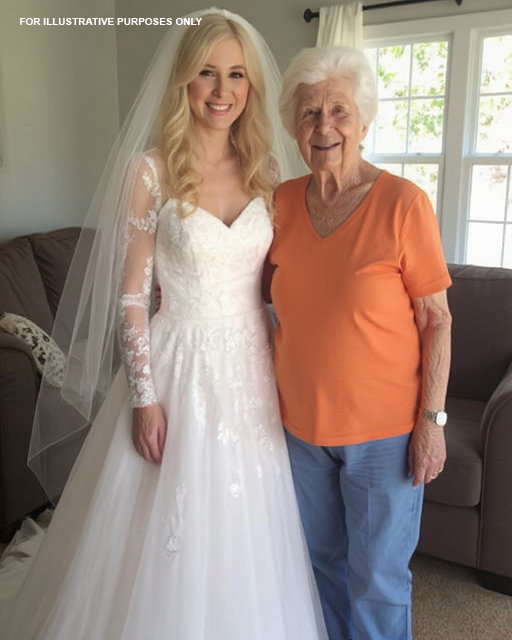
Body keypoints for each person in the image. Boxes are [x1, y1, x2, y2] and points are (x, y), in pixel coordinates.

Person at [2, 11, 328, 640]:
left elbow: (281, 279)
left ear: (251, 85)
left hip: (252, 366)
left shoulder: (267, 172)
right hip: (178, 363)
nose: (222, 90)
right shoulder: (150, 171)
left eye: (236, 75)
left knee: (249, 516)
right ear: (184, 79)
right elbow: (132, 297)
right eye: (207, 72)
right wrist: (144, 397)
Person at [267, 46, 452, 640]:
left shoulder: (404, 204)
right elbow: (246, 287)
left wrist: (432, 422)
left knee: (377, 581)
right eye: (310, 113)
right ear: (294, 127)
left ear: (364, 122)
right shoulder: (280, 203)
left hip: (383, 436)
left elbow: (437, 321)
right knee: (319, 570)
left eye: (339, 111)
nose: (324, 126)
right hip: (299, 431)